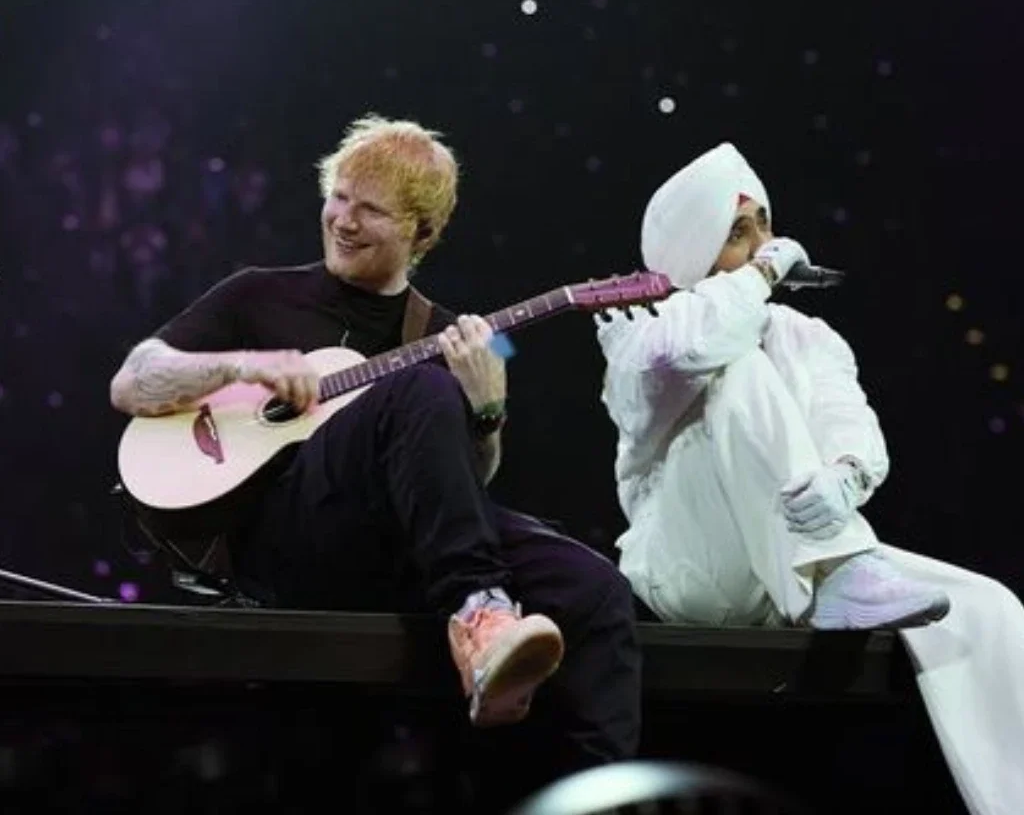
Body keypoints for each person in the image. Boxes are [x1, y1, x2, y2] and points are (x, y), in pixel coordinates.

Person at [109, 114, 641, 799]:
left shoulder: (455, 334)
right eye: (338, 197)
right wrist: (243, 366)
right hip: (286, 544)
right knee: (418, 387)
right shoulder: (257, 292)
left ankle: (598, 797)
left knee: (594, 588)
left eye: (371, 210)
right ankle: (480, 615)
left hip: (398, 546)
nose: (344, 220)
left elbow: (465, 484)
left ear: (423, 232)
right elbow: (131, 381)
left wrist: (488, 412)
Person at [594, 141, 1024, 815]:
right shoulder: (648, 335)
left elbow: (846, 416)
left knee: (988, 609)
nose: (766, 243)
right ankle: (839, 566)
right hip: (696, 568)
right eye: (739, 233)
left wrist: (845, 478)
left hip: (792, 563)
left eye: (765, 224)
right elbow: (687, 351)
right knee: (737, 367)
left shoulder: (807, 334)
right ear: (694, 253)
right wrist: (762, 274)